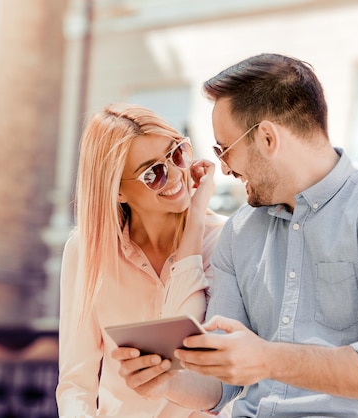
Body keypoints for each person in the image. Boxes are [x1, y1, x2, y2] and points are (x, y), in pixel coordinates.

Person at [112, 53, 358, 417]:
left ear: (268, 138)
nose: (223, 167)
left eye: (225, 150)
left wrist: (270, 360)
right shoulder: (239, 233)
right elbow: (222, 383)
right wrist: (165, 382)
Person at [55, 103, 227, 417]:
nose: (175, 174)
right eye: (153, 173)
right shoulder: (85, 251)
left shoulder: (225, 242)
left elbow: (181, 352)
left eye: (176, 153)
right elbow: (76, 382)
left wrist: (196, 221)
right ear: (118, 191)